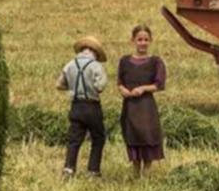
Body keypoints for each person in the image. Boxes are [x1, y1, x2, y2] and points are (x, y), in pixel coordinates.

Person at [57, 35, 109, 180]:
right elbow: (100, 86)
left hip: (76, 105)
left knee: (74, 139)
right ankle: (93, 171)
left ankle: (69, 169)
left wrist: (72, 87)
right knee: (98, 138)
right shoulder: (96, 66)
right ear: (95, 52)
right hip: (92, 105)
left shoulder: (70, 64)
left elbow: (59, 84)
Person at [117, 24, 166, 175]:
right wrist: (123, 90)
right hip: (130, 106)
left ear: (150, 41)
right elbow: (119, 82)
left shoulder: (156, 62)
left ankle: (147, 172)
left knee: (147, 135)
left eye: (146, 39)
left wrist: (143, 88)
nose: (143, 43)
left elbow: (159, 84)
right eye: (139, 39)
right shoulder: (124, 61)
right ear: (133, 40)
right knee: (132, 135)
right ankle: (135, 170)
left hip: (146, 107)